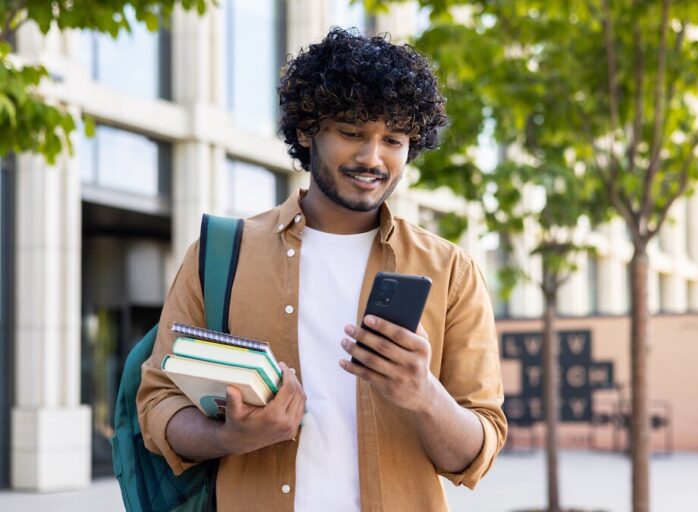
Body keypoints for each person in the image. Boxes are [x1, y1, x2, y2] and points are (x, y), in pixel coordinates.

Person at [137, 27, 506, 512]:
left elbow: (478, 451)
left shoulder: (450, 270)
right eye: (352, 133)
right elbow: (157, 405)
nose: (372, 158)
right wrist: (230, 435)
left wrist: (423, 394)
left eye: (392, 139)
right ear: (308, 130)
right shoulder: (221, 254)